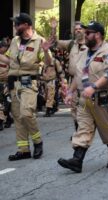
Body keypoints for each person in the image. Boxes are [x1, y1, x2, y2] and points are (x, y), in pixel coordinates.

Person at [57, 21, 108, 173]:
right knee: (83, 128)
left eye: (88, 33)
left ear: (98, 35)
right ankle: (77, 160)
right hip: (84, 99)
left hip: (103, 98)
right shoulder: (84, 52)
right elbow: (78, 75)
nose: (84, 35)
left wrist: (94, 87)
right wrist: (70, 92)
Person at [0, 13, 52, 161]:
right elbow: (10, 61)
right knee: (18, 117)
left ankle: (38, 142)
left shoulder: (39, 41)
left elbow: (48, 63)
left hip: (28, 81)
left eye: (18, 24)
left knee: (26, 113)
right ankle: (23, 150)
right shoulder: (15, 41)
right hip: (13, 82)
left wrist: (47, 50)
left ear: (27, 25)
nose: (15, 26)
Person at [51, 20, 87, 132]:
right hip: (73, 81)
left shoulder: (90, 44)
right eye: (75, 29)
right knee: (74, 107)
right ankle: (78, 132)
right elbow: (55, 42)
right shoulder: (71, 44)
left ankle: (85, 131)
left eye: (80, 29)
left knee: (85, 106)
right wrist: (53, 29)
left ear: (85, 30)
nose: (77, 31)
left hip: (86, 81)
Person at [40, 52, 64, 117]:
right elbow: (41, 70)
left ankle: (48, 111)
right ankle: (54, 107)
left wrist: (62, 81)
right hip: (45, 80)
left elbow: (60, 71)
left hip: (52, 80)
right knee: (46, 96)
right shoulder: (43, 61)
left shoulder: (55, 61)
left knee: (50, 95)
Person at [0, 39, 13, 130]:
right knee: (1, 103)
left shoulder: (8, 59)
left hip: (6, 83)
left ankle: (7, 118)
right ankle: (2, 121)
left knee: (7, 103)